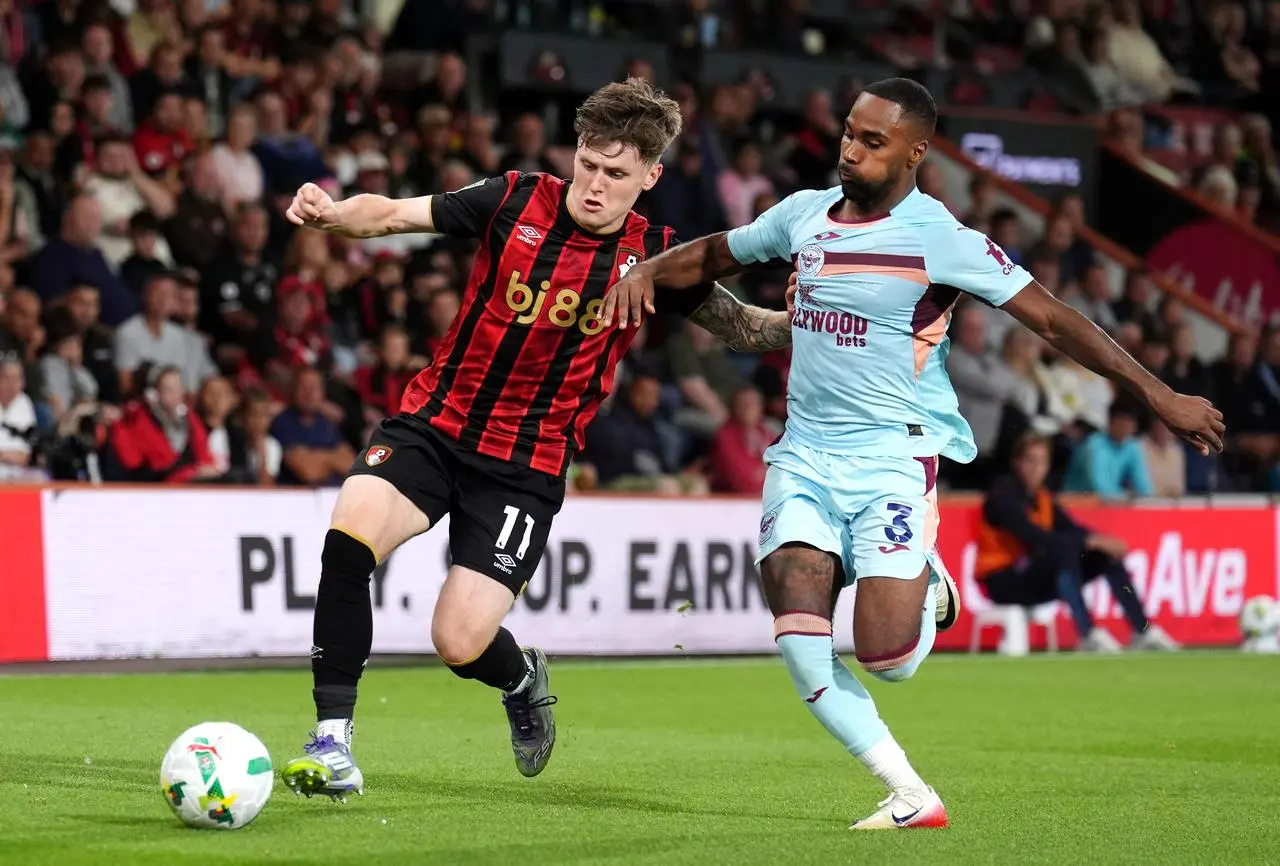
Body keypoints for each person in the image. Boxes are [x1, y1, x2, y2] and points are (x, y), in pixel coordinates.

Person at [599, 77, 1224, 829]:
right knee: (798, 636)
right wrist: (642, 271)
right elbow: (714, 256)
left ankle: (928, 582)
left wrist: (1157, 394)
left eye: (872, 141)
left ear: (915, 153)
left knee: (887, 659)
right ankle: (909, 792)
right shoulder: (802, 217)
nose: (850, 150)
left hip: (891, 459)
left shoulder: (941, 239)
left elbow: (1054, 321)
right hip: (803, 454)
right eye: (848, 134)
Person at [279, 77, 792, 801]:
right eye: (588, 163)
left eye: (616, 174)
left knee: (458, 642)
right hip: (435, 423)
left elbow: (745, 330)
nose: (595, 184)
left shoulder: (655, 256)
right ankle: (332, 744)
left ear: (650, 178)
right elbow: (392, 215)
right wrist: (331, 215)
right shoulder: (516, 199)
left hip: (524, 467)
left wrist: (805, 314)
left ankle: (521, 679)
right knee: (347, 540)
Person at [976, 432, 1178, 651]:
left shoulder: (1042, 497)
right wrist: (1090, 541)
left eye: (1042, 461)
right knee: (1064, 549)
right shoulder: (1002, 495)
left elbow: (1070, 528)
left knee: (1104, 556)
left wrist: (1100, 541)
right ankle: (1087, 633)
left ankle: (1142, 630)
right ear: (1017, 463)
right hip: (1002, 580)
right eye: (1030, 460)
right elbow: (1032, 536)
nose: (1036, 468)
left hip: (1031, 576)